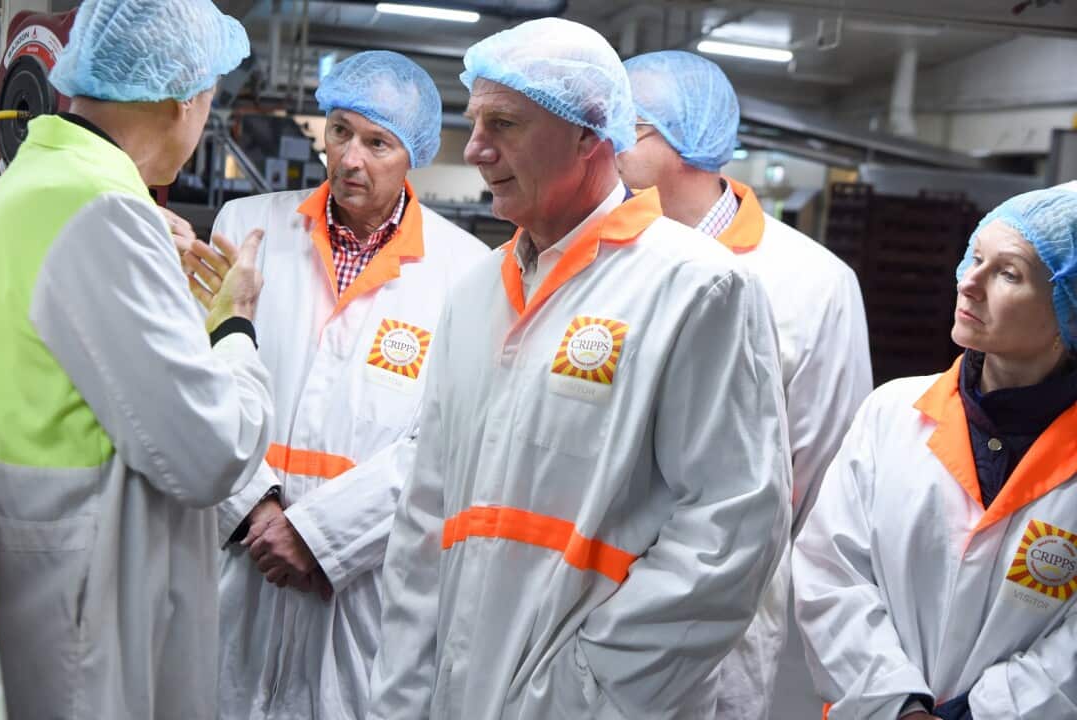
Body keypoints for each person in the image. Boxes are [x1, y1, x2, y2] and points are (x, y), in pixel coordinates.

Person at [366, 18, 791, 720]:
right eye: (474, 122)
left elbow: (732, 527)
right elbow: (425, 519)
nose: (474, 149)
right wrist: (401, 697)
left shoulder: (695, 287)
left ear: (590, 134)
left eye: (504, 124)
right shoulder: (476, 293)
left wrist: (588, 687)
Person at [0, 1, 272, 717]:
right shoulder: (103, 213)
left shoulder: (22, 193)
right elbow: (208, 450)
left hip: (31, 587)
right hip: (84, 615)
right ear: (184, 96)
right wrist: (233, 324)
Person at [186, 50, 487, 719]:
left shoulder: (467, 271)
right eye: (342, 131)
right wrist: (253, 509)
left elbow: (446, 437)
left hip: (360, 580)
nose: (351, 159)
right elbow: (203, 378)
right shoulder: (247, 226)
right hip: (242, 557)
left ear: (413, 155)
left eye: (378, 142)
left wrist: (323, 538)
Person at [618, 51, 873, 720]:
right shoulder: (594, 252)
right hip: (584, 578)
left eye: (624, 124)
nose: (602, 141)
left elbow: (821, 472)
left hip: (720, 609)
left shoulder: (813, 281)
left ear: (681, 143)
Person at [793, 186, 1077, 719]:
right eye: (974, 258)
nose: (969, 284)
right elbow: (831, 571)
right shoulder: (892, 413)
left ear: (1070, 307)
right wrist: (899, 706)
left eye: (1008, 273)